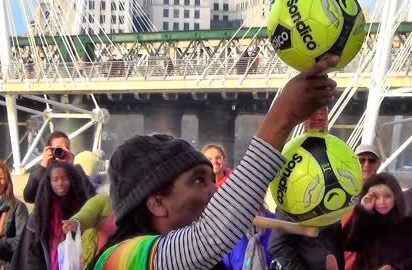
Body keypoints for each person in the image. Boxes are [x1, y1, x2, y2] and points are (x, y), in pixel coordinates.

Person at [88, 56, 340, 270]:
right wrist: (283, 117)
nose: (215, 189)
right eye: (198, 180)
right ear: (156, 203)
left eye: (211, 178)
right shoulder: (118, 259)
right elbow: (209, 237)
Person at [12, 161, 93, 270]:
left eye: (64, 178)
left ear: (72, 180)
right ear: (49, 182)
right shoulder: (40, 214)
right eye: (55, 179)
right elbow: (30, 254)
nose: (60, 183)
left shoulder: (83, 210)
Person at [343, 172, 412, 270]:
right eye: (376, 197)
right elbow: (350, 244)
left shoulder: (409, 225)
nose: (382, 202)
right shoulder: (364, 219)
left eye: (387, 196)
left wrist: (394, 269)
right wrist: (363, 211)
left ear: (396, 197)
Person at [23, 131, 95, 203]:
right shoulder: (41, 172)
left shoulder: (75, 172)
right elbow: (29, 197)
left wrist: (71, 167)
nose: (62, 152)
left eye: (66, 148)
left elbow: (91, 197)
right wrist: (43, 165)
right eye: (58, 149)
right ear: (49, 150)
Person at [341, 143, 381, 270]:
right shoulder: (340, 193)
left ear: (377, 165)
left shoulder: (385, 195)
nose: (366, 164)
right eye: (361, 160)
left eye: (371, 160)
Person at [62, 191, 115, 269]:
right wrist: (76, 221)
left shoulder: (136, 207)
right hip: (95, 260)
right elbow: (88, 212)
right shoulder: (104, 199)